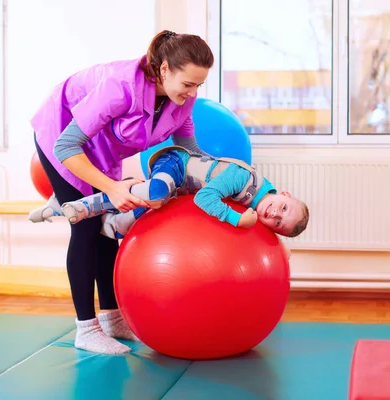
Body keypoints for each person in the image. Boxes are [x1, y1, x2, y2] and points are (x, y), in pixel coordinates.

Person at [30, 29, 214, 355]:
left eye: (199, 85)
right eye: (188, 84)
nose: (192, 93)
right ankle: (86, 329)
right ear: (165, 69)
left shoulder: (183, 100)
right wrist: (112, 188)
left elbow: (189, 150)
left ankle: (113, 318)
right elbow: (67, 145)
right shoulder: (120, 87)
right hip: (62, 136)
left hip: (102, 151)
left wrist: (220, 176)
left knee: (106, 229)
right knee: (86, 228)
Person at [32, 146, 310, 242]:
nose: (274, 214)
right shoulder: (244, 180)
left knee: (124, 227)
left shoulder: (260, 201)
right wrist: (236, 221)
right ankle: (84, 206)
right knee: (155, 193)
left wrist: (281, 248)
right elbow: (204, 199)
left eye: (277, 224)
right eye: (283, 209)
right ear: (283, 193)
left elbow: (271, 225)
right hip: (175, 165)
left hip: (177, 193)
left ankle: (61, 206)